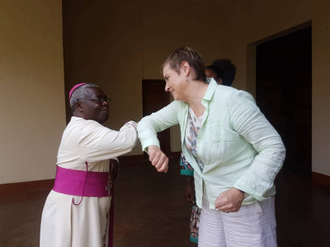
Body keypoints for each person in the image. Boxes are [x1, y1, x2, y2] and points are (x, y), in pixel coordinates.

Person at [138, 47, 286, 247]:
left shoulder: (232, 100)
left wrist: (240, 190)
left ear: (185, 68)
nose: (166, 87)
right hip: (208, 202)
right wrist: (152, 147)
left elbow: (273, 147)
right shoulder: (182, 106)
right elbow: (147, 123)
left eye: (167, 77)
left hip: (245, 204)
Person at [40, 83, 138, 247]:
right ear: (80, 106)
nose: (105, 103)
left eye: (106, 99)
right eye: (98, 100)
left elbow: (101, 150)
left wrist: (113, 159)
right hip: (76, 210)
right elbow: (126, 141)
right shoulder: (84, 130)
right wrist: (132, 125)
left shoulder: (86, 128)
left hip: (86, 206)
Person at [181, 60, 237, 244]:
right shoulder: (194, 108)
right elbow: (188, 151)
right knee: (209, 232)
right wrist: (189, 183)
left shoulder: (233, 104)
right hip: (203, 187)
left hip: (230, 188)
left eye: (207, 78)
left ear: (219, 82)